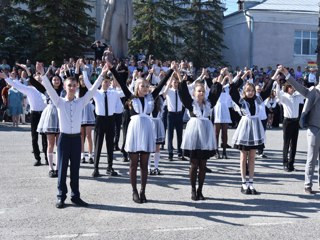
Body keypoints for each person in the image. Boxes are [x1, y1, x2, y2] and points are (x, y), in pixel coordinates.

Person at [38, 61, 109, 208]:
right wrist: (42, 74)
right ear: (65, 87)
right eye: (69, 85)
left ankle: (75, 196)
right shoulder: (59, 102)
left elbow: (94, 89)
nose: (72, 87)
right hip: (64, 139)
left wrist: (102, 74)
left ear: (77, 87)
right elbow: (50, 89)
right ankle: (61, 196)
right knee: (62, 169)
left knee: (75, 169)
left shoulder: (81, 102)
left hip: (76, 139)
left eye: (74, 85)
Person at [110, 60, 175, 204]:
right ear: (136, 87)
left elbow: (161, 84)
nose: (145, 88)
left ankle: (143, 190)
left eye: (147, 86)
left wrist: (171, 71)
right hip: (134, 130)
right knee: (133, 164)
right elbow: (121, 83)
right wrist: (112, 69)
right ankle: (134, 191)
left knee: (144, 164)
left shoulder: (151, 97)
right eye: (142, 85)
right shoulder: (131, 97)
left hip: (146, 130)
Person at [277, 65, 320, 194]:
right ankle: (308, 185)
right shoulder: (314, 92)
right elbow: (299, 87)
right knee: (312, 158)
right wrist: (287, 75)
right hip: (314, 128)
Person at [179, 72, 222, 200]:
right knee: (194, 164)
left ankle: (200, 190)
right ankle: (193, 189)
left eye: (203, 91)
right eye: (199, 91)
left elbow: (215, 93)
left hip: (206, 135)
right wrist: (179, 76)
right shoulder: (190, 103)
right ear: (194, 93)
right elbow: (183, 92)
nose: (201, 93)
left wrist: (217, 81)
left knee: (203, 164)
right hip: (194, 135)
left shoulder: (208, 104)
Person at [229, 70, 274, 195]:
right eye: (248, 90)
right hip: (244, 128)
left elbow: (266, 90)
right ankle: (243, 183)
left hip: (255, 129)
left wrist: (273, 78)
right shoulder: (241, 101)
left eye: (252, 90)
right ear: (244, 91)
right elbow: (232, 90)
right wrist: (239, 77)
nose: (250, 92)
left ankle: (251, 183)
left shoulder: (257, 100)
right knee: (243, 157)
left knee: (253, 157)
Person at [82, 61, 124, 178]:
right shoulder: (96, 93)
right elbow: (88, 84)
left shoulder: (114, 93)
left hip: (110, 119)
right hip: (100, 120)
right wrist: (84, 70)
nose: (105, 84)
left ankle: (110, 167)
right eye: (104, 82)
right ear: (101, 83)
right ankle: (95, 168)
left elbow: (126, 91)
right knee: (98, 144)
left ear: (110, 83)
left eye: (107, 82)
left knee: (110, 145)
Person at [2, 67, 48, 166]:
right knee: (34, 137)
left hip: (45, 114)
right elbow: (16, 86)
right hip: (34, 114)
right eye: (36, 79)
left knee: (45, 137)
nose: (38, 81)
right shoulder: (30, 89)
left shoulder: (46, 90)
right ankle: (38, 159)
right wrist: (6, 78)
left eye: (40, 79)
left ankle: (47, 158)